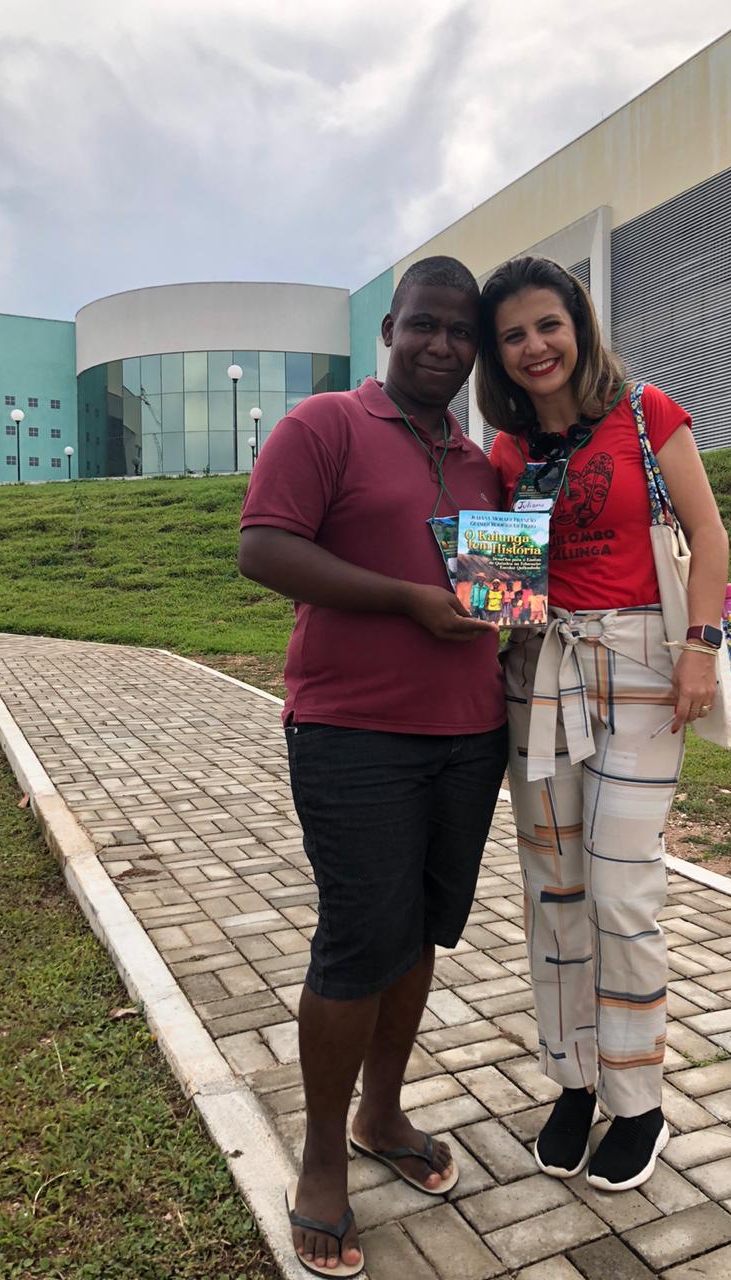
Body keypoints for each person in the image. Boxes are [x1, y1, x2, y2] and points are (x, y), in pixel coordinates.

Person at [239, 256, 507, 1277]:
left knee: (420, 932)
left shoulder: (480, 463)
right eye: (424, 324)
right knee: (358, 939)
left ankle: (382, 1114)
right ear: (389, 328)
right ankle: (321, 1160)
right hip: (353, 733)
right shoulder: (325, 426)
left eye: (461, 331)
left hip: (470, 733)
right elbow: (264, 548)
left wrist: (522, 616)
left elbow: (493, 598)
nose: (442, 345)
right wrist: (404, 600)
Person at [477, 256, 729, 1193]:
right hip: (537, 671)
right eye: (513, 335)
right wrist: (482, 609)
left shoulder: (646, 413)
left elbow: (710, 534)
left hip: (642, 667)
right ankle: (574, 1079)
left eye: (548, 324)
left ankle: (639, 1098)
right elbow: (504, 589)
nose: (535, 346)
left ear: (579, 324)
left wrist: (699, 647)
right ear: (497, 355)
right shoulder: (505, 452)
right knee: (555, 891)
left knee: (622, 891)